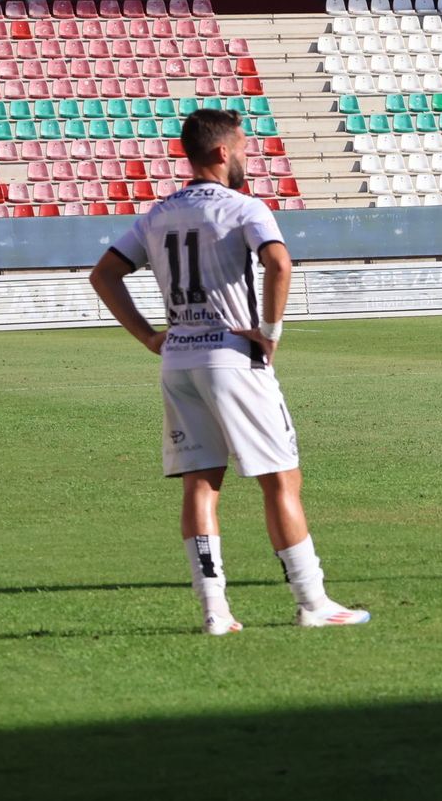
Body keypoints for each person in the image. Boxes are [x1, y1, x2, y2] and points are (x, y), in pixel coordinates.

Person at [88, 109, 370, 634]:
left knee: (201, 481)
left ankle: (215, 610)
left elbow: (103, 275)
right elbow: (279, 263)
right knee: (281, 479)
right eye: (243, 145)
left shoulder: (156, 214)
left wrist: (150, 335)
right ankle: (313, 602)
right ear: (221, 152)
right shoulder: (245, 208)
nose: (247, 153)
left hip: (179, 360)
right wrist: (270, 330)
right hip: (232, 357)